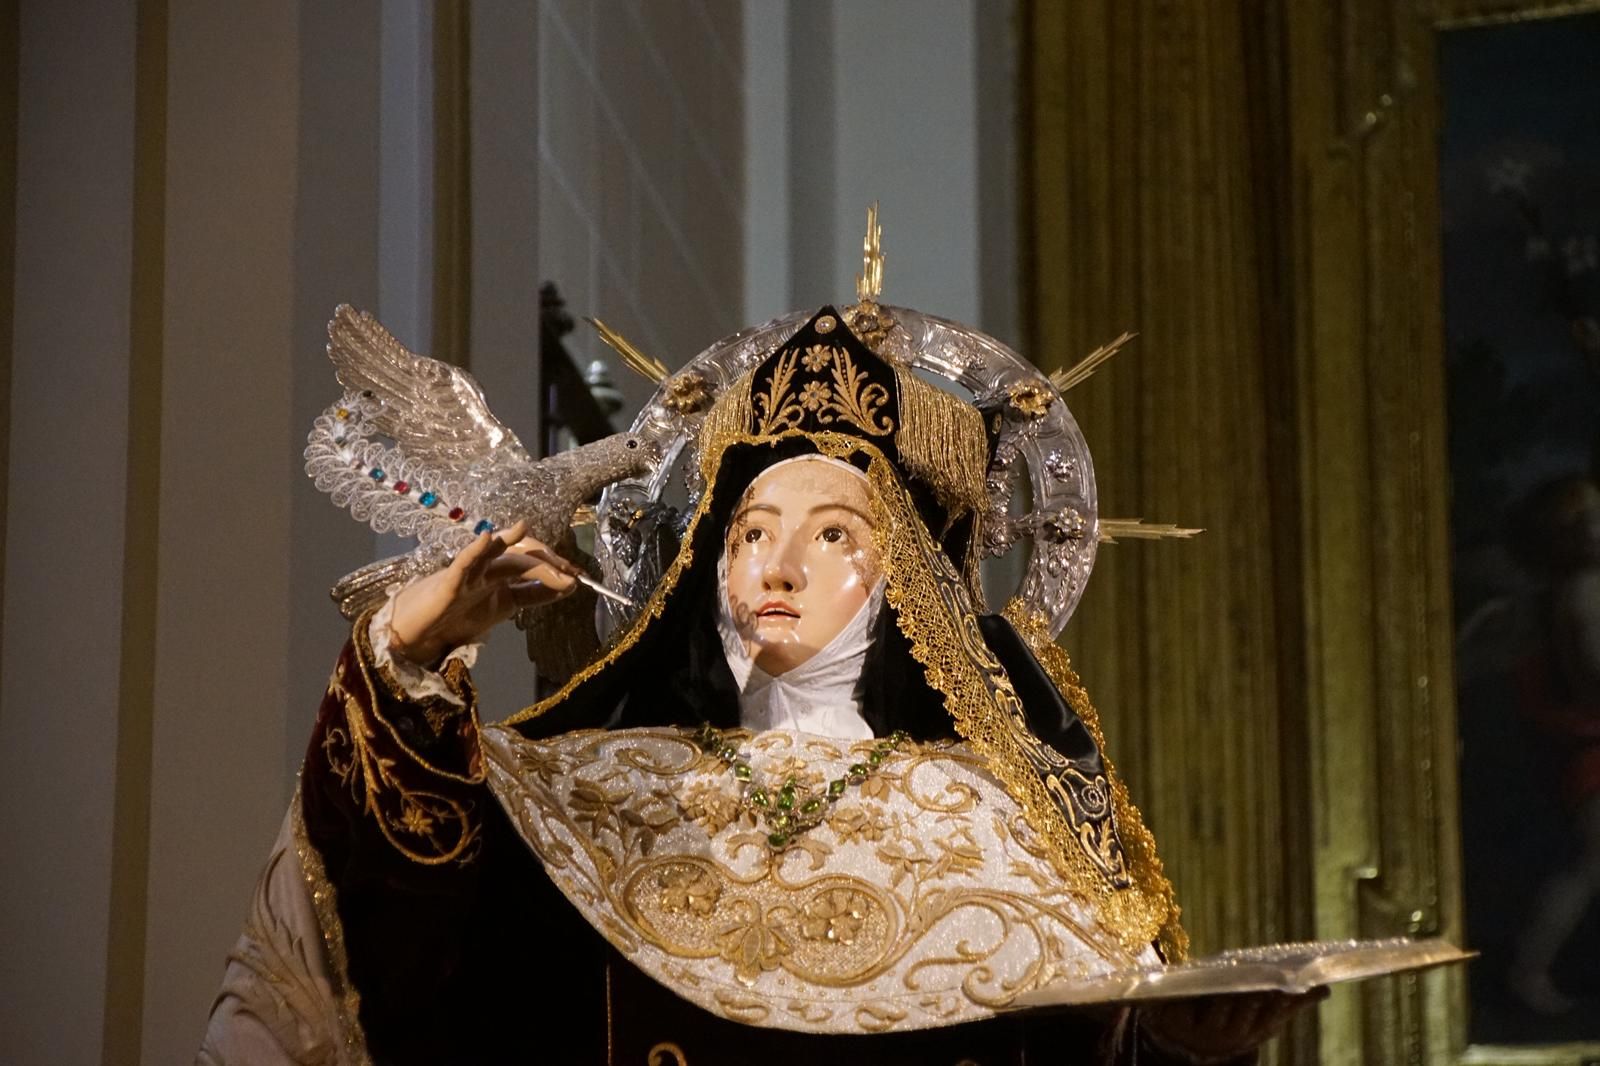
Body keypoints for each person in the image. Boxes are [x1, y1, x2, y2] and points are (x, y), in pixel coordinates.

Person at [200, 303, 1314, 1065]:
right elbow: (397, 921)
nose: (777, 564)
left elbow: (1094, 1051)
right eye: (748, 530)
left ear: (905, 580)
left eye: (833, 532)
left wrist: (1181, 1045)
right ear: (703, 563)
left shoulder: (1001, 827)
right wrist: (407, 660)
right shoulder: (594, 795)